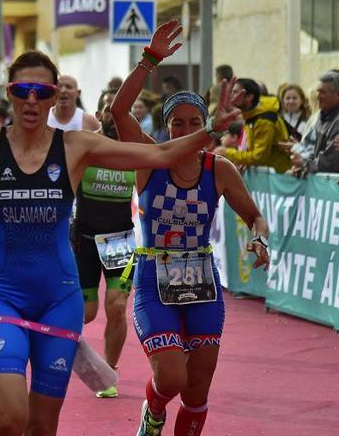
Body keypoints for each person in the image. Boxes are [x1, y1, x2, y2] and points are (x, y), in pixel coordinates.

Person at [0, 17, 240, 436]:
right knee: (9, 418)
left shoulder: (75, 146)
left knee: (42, 426)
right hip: (5, 300)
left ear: (54, 98)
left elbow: (158, 157)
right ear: (8, 94)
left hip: (59, 302)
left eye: (42, 92)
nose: (31, 100)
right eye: (21, 91)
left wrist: (208, 127)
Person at [110, 26, 269, 436]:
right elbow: (119, 112)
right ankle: (155, 408)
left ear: (205, 123)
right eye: (177, 124)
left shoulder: (220, 169)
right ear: (166, 129)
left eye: (193, 122)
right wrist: (149, 59)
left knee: (197, 389)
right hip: (153, 277)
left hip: (202, 280)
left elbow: (255, 215)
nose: (184, 130)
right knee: (172, 378)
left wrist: (259, 237)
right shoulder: (150, 158)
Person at [70, 89, 136, 399]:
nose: (113, 114)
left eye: (119, 109)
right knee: (87, 313)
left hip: (120, 241)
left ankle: (108, 371)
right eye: (108, 109)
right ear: (99, 115)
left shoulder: (135, 149)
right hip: (84, 239)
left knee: (118, 307)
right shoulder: (85, 147)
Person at [213, 78, 292, 173]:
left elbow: (259, 157)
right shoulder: (251, 115)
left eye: (235, 92)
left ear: (249, 97)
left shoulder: (264, 120)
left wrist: (227, 153)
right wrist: (245, 161)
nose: (231, 96)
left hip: (278, 177)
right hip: (266, 175)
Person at [291, 71, 339, 175]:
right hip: (322, 185)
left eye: (323, 92)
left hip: (338, 187)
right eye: (318, 91)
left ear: (338, 94)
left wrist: (304, 164)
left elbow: (330, 163)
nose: (318, 96)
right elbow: (312, 149)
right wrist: (301, 159)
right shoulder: (322, 115)